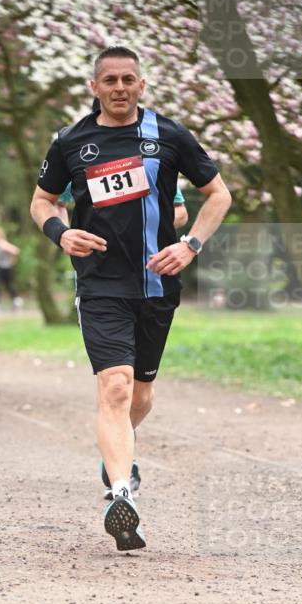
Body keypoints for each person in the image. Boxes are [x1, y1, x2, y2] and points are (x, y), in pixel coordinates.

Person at [30, 46, 231, 552]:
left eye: (129, 79)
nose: (119, 88)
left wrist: (189, 246)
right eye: (110, 80)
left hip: (157, 283)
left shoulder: (169, 136)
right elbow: (42, 200)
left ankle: (115, 451)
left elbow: (218, 195)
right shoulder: (72, 142)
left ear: (141, 85)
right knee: (115, 389)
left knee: (140, 394)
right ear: (94, 87)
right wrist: (60, 233)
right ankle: (123, 496)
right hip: (99, 283)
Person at [0, 227, 22, 312]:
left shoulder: (2, 244)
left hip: (6, 268)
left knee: (9, 285)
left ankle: (16, 301)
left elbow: (16, 251)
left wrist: (12, 260)